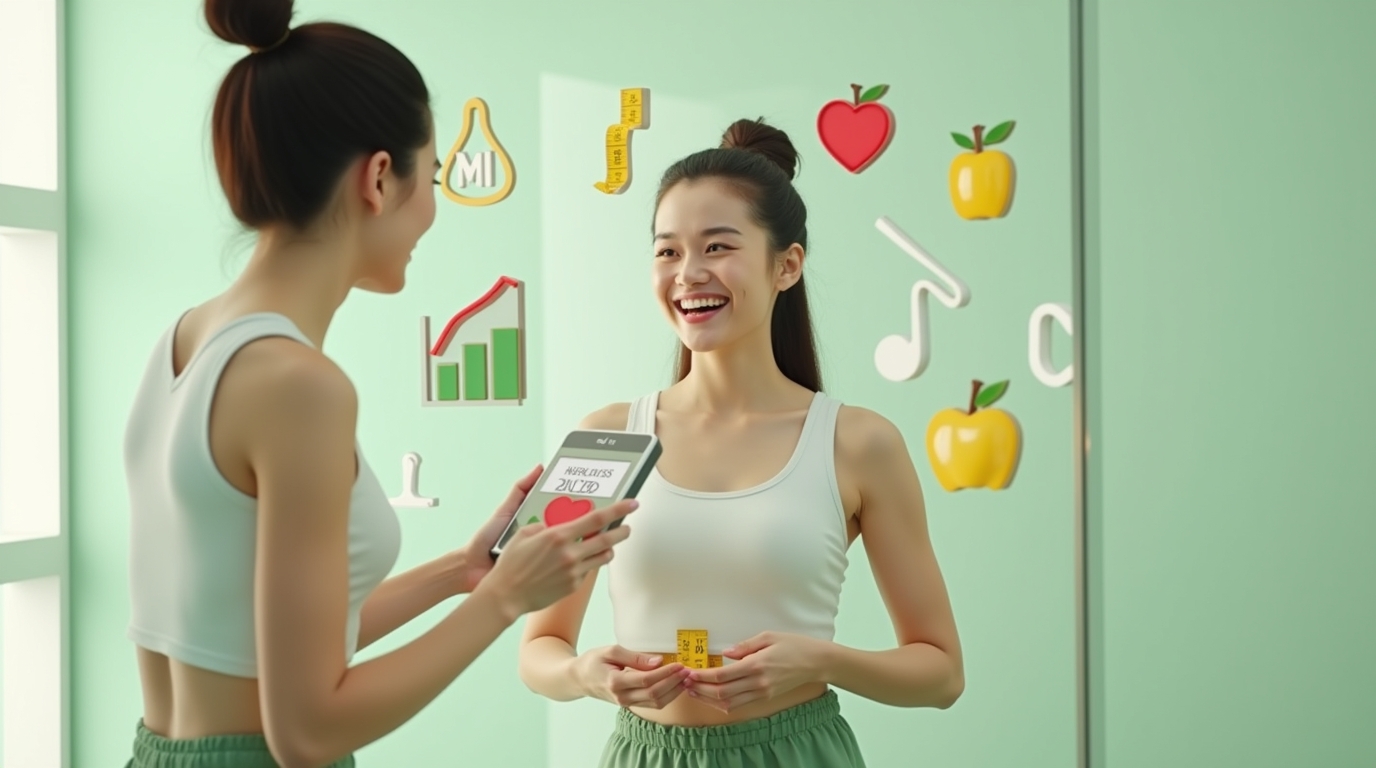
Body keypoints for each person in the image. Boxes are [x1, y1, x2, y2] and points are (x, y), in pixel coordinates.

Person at [120, 2, 636, 766]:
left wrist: (462, 573)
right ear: (380, 177)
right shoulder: (301, 385)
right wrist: (502, 603)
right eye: (431, 178)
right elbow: (307, 732)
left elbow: (258, 642)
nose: (432, 209)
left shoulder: (188, 338)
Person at [517, 118, 965, 767]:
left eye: (718, 247)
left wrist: (820, 659)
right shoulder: (602, 438)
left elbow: (942, 674)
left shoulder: (861, 442)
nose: (688, 273)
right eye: (667, 250)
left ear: (786, 265)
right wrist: (586, 674)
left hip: (798, 751)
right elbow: (539, 648)